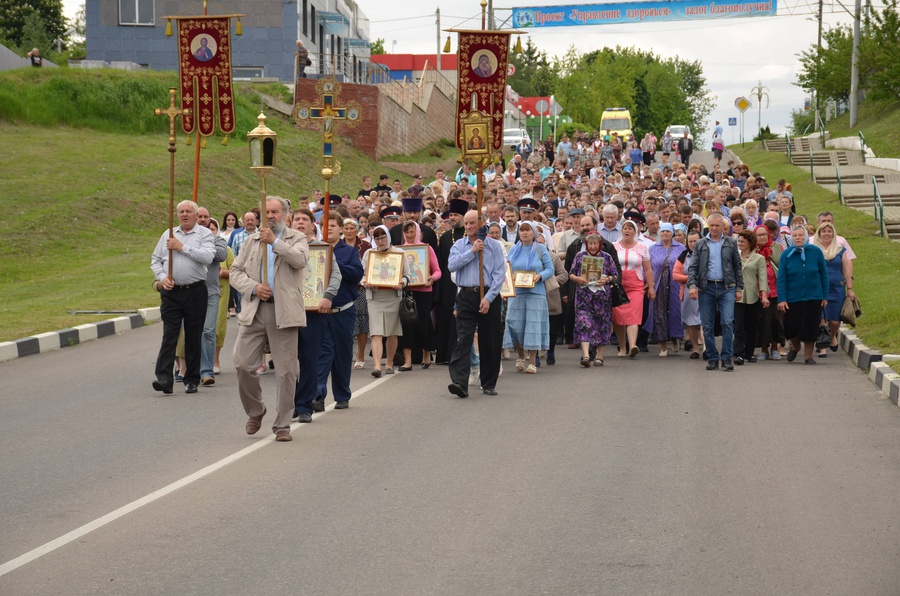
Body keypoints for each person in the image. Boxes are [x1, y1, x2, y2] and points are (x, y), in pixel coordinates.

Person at [230, 197, 310, 442]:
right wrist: (254, 287)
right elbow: (235, 272)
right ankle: (256, 410)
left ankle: (283, 424)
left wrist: (274, 242)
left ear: (285, 214)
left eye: (275, 212)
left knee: (285, 371)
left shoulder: (296, 238)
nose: (270, 216)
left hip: (284, 312)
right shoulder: (251, 242)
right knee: (243, 365)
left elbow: (300, 260)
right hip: (255, 309)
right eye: (266, 212)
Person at [294, 212, 364, 422]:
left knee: (342, 354)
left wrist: (330, 264)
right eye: (326, 225)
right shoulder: (313, 249)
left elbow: (356, 274)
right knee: (320, 354)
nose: (330, 229)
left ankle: (342, 394)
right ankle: (317, 394)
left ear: (341, 229)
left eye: (333, 225)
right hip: (318, 311)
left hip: (343, 310)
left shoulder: (348, 251)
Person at [150, 200, 216, 395]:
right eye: (181, 212)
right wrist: (162, 278)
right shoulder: (168, 234)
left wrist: (182, 247)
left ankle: (192, 378)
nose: (184, 215)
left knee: (193, 335)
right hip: (171, 293)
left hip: (195, 291)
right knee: (169, 334)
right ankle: (164, 378)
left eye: (188, 211)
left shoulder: (204, 234)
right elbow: (155, 260)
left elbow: (207, 257)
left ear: (196, 215)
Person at [447, 209, 507, 398]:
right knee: (464, 339)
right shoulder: (459, 245)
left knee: (489, 340)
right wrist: (472, 252)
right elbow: (452, 265)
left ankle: (488, 382)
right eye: (466, 223)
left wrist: (488, 298)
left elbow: (499, 274)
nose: (469, 226)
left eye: (472, 223)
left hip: (488, 296)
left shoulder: (495, 246)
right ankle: (460, 383)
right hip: (466, 295)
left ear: (481, 223)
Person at [687, 212, 744, 371]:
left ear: (723, 227)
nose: (714, 228)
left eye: (717, 225)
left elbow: (737, 267)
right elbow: (693, 267)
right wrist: (692, 285)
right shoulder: (700, 244)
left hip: (727, 287)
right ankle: (712, 357)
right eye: (711, 225)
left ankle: (726, 358)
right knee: (707, 325)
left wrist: (739, 288)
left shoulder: (731, 242)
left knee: (727, 322)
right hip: (707, 288)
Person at [503, 222, 554, 374]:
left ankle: (532, 361)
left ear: (534, 233)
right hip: (517, 293)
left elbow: (550, 269)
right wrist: (509, 281)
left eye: (528, 230)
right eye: (522, 230)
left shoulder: (541, 248)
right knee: (514, 323)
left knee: (533, 326)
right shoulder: (514, 249)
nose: (524, 233)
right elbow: (506, 268)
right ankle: (520, 356)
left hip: (536, 293)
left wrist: (540, 276)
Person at [362, 225, 411, 377]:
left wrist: (401, 282)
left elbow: (408, 275)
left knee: (392, 332)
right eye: (377, 238)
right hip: (375, 297)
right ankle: (377, 366)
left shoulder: (399, 253)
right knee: (376, 332)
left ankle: (389, 362)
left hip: (392, 296)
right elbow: (363, 274)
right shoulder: (369, 254)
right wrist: (365, 282)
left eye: (383, 237)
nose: (380, 241)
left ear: (388, 237)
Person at [777, 227, 829, 365]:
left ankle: (808, 356)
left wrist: (824, 296)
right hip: (793, 297)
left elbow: (823, 275)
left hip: (814, 296)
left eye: (800, 235)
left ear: (805, 236)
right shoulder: (787, 254)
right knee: (791, 327)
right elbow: (781, 278)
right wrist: (782, 299)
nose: (798, 238)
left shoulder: (816, 252)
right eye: (795, 236)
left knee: (811, 327)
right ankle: (796, 346)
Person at [568, 231, 617, 367]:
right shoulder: (580, 256)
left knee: (602, 325)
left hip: (602, 298)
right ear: (586, 244)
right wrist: (577, 278)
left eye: (595, 243)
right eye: (590, 243)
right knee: (584, 324)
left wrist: (606, 279)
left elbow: (615, 274)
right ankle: (586, 355)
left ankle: (599, 356)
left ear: (599, 244)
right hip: (584, 298)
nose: (593, 246)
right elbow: (571, 273)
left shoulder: (606, 257)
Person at [399, 220, 441, 370]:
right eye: (407, 232)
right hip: (405, 291)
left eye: (412, 232)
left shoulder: (426, 249)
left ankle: (426, 353)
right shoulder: (399, 251)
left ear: (418, 232)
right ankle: (408, 360)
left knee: (423, 324)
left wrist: (431, 278)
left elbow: (437, 271)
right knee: (405, 326)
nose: (409, 235)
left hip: (423, 292)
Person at [812, 222, 855, 356]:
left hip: (837, 288)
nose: (826, 234)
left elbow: (846, 270)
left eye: (829, 231)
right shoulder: (814, 249)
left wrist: (850, 288)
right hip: (818, 288)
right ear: (819, 234)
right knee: (822, 319)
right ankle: (823, 347)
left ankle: (831, 337)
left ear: (833, 234)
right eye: (823, 231)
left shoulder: (840, 249)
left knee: (835, 321)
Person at [196, 207, 228, 385]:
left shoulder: (217, 239)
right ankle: (190, 369)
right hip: (191, 293)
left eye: (205, 217)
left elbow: (222, 255)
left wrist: (201, 251)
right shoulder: (188, 239)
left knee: (208, 330)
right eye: (199, 216)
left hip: (211, 292)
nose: (202, 219)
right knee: (193, 332)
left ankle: (207, 371)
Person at [613, 220, 654, 358]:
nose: (627, 230)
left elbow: (648, 269)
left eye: (631, 228)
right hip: (618, 286)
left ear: (635, 231)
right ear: (621, 231)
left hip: (636, 285)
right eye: (625, 228)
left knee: (634, 316)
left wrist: (651, 287)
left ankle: (632, 346)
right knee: (618, 316)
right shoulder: (614, 246)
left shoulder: (642, 247)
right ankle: (622, 347)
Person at [435, 195, 469, 364]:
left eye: (456, 215)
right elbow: (441, 263)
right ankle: (446, 355)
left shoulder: (469, 234)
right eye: (451, 215)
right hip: (449, 284)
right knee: (448, 318)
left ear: (463, 216)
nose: (452, 218)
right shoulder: (446, 236)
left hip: (467, 282)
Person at [644, 223, 685, 357]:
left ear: (672, 233)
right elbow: (648, 268)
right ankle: (663, 345)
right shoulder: (653, 248)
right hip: (658, 284)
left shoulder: (680, 248)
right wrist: (648, 284)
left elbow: (685, 265)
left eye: (668, 231)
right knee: (659, 313)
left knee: (675, 312)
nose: (665, 234)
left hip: (675, 284)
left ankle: (674, 336)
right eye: (663, 231)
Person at [733, 230, 769, 365]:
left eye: (742, 241)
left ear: (750, 243)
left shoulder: (758, 258)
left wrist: (764, 296)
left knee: (751, 326)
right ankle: (739, 353)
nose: (740, 243)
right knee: (739, 326)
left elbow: (763, 278)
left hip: (752, 296)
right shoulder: (735, 256)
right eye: (739, 241)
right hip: (737, 296)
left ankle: (749, 353)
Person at [343, 219, 372, 369]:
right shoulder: (337, 245)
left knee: (361, 322)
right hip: (342, 288)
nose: (349, 231)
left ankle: (360, 355)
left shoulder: (365, 246)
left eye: (351, 228)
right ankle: (344, 355)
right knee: (344, 324)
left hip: (360, 289)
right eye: (346, 228)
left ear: (356, 229)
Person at [755, 223, 784, 360]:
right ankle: (764, 349)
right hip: (759, 291)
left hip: (776, 290)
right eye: (759, 235)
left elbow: (783, 267)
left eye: (764, 234)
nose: (762, 237)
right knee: (762, 320)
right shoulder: (753, 250)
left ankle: (775, 347)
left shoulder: (778, 248)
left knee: (776, 320)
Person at [673, 230, 703, 359]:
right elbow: (675, 275)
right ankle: (695, 349)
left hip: (704, 291)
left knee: (704, 320)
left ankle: (707, 348)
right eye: (690, 241)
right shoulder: (683, 256)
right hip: (687, 293)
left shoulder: (707, 254)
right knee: (691, 322)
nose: (692, 244)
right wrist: (690, 278)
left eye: (695, 241)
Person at [210, 218, 234, 375]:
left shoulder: (226, 250)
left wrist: (224, 272)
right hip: (201, 294)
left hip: (221, 293)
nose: (210, 232)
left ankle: (215, 359)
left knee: (218, 327)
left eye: (213, 229)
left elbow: (236, 271)